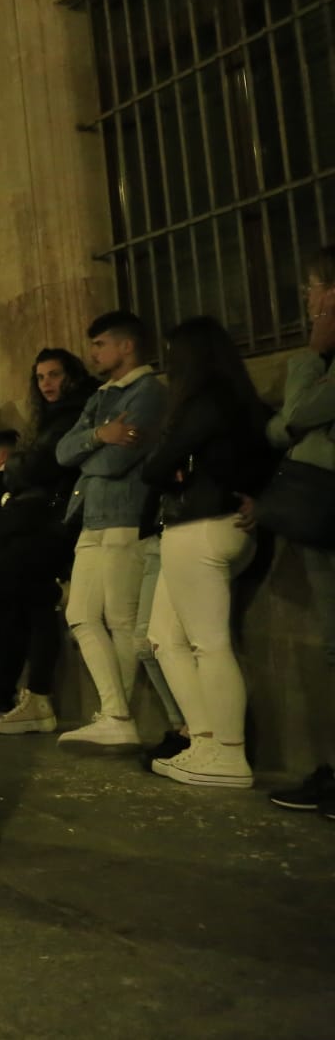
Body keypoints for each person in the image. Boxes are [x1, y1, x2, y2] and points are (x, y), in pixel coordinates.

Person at [142, 318, 276, 789]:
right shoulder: (244, 403)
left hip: (198, 527)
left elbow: (155, 465)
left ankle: (229, 754)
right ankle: (205, 740)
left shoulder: (202, 403)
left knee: (209, 643)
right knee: (163, 636)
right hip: (230, 528)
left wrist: (169, 468)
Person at [54, 311, 168, 749]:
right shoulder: (102, 396)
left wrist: (91, 448)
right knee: (81, 614)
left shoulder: (148, 393)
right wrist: (101, 435)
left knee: (120, 620)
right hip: (91, 516)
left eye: (101, 344)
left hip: (125, 515)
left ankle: (115, 716)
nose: (93, 353)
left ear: (126, 347)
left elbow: (121, 462)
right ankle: (116, 713)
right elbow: (65, 453)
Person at [0, 349, 97, 735]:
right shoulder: (53, 416)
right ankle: (33, 696)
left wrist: (14, 467)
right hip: (45, 524)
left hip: (55, 526)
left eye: (54, 375)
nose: (47, 384)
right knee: (30, 604)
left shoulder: (73, 413)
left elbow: (39, 464)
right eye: (41, 377)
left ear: (72, 376)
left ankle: (19, 694)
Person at [258, 245, 335, 816]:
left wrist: (310, 356)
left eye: (313, 289)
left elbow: (294, 418)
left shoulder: (322, 360)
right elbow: (284, 430)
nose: (307, 301)